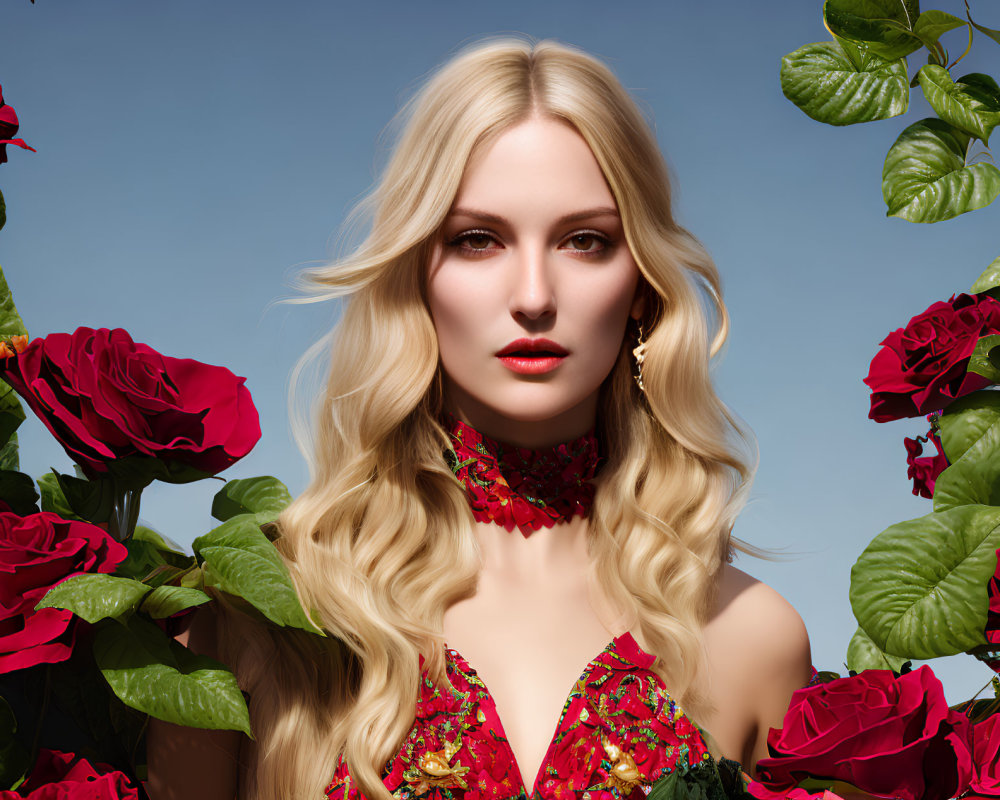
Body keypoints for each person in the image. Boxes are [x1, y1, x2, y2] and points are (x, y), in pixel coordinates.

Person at [147, 35, 811, 800]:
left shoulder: (754, 639)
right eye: (477, 240)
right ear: (415, 275)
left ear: (641, 286)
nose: (533, 294)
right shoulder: (257, 615)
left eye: (585, 241)